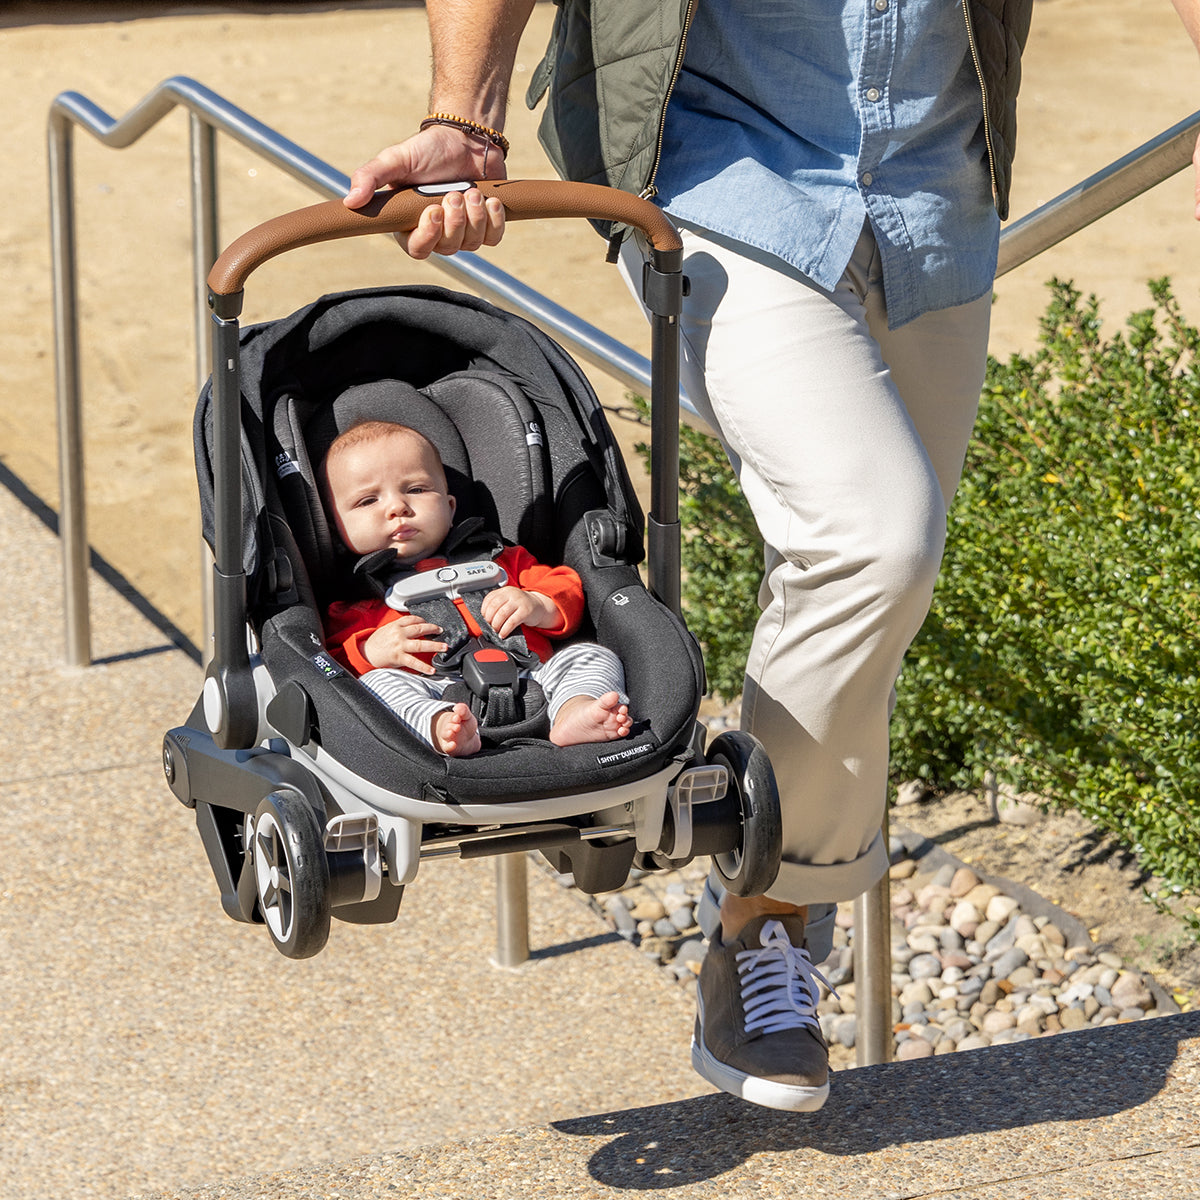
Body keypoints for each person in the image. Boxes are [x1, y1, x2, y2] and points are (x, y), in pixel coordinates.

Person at [343, 0, 1200, 1112]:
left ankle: (772, 883)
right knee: (871, 539)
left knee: (885, 572)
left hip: (936, 181)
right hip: (722, 172)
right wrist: (469, 115)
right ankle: (764, 928)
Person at [320, 419, 632, 756]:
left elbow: (566, 588)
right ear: (337, 528)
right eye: (367, 501)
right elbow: (329, 666)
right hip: (434, 691)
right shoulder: (355, 603)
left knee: (590, 655)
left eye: (416, 489)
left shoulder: (502, 561)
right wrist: (370, 652)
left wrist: (537, 604)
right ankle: (438, 728)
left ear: (450, 507)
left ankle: (574, 710)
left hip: (533, 676)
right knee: (376, 686)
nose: (398, 508)